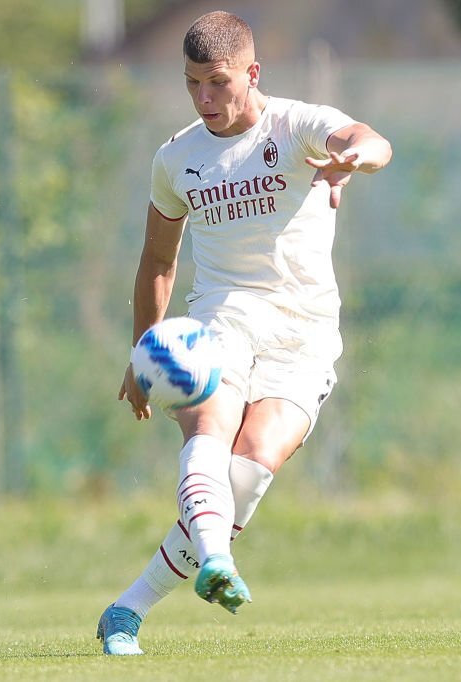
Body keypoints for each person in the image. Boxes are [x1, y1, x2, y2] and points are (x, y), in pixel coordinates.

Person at [95, 10, 392, 656]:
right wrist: (143, 351)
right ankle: (215, 561)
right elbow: (158, 261)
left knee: (250, 466)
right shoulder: (176, 159)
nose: (205, 98)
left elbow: (372, 140)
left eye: (219, 82)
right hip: (220, 321)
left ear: (251, 73)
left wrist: (352, 158)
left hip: (305, 334)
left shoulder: (296, 127)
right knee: (209, 427)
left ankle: (126, 607)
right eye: (192, 83)